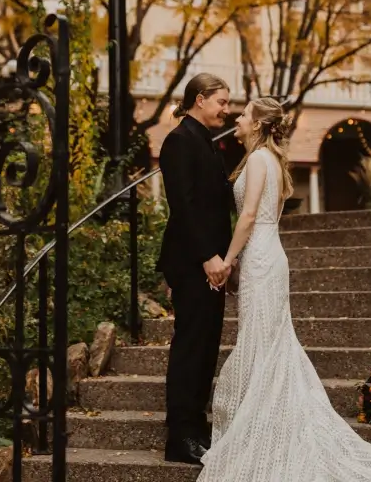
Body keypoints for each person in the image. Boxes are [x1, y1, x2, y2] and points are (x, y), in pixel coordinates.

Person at [197, 97, 371, 482]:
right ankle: (268, 424)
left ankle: (264, 431)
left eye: (245, 115)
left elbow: (249, 215)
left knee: (262, 344)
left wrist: (229, 260)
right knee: (269, 344)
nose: (237, 119)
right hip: (270, 254)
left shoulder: (256, 161)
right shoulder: (270, 160)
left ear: (259, 124)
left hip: (261, 257)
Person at [157, 73, 235, 465]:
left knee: (206, 347)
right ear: (200, 99)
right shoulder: (178, 142)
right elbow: (183, 207)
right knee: (190, 347)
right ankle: (180, 437)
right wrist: (207, 257)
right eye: (222, 101)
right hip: (192, 263)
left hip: (213, 263)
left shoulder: (206, 142)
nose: (227, 108)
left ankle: (197, 426)